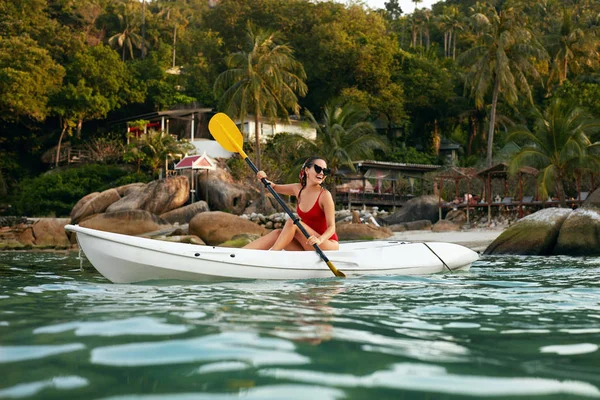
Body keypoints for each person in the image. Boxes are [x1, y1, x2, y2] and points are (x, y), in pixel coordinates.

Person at [244, 157, 339, 251]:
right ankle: (239, 253)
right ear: (307, 170)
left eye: (325, 171)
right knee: (277, 233)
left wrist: (319, 240)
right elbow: (273, 187)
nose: (321, 173)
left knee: (293, 222)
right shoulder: (298, 189)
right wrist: (262, 177)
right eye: (318, 169)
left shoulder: (325, 195)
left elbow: (332, 227)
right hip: (307, 243)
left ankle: (272, 255)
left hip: (326, 245)